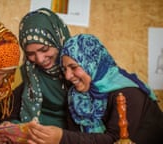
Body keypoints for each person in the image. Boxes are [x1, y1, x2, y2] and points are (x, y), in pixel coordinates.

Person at [27, 34, 163, 144]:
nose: (68, 76)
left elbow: (117, 140)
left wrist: (62, 138)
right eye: (64, 69)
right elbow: (77, 136)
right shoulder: (75, 97)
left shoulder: (127, 93)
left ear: (92, 63)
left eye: (74, 67)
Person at [0, 8, 74, 143]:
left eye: (44, 49)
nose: (40, 59)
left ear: (58, 40)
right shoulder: (24, 73)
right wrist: (9, 126)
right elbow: (13, 113)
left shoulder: (77, 70)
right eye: (30, 54)